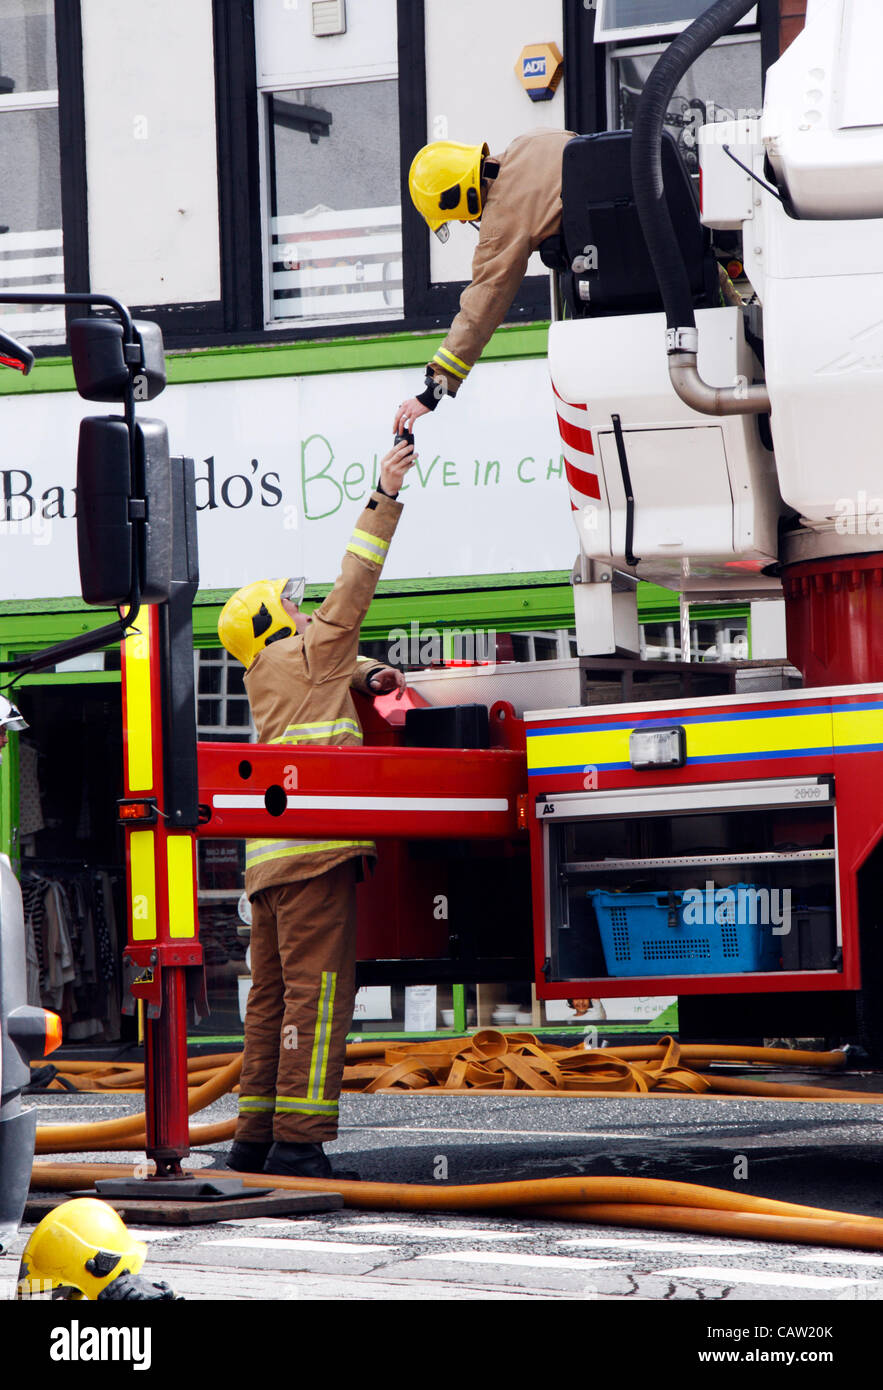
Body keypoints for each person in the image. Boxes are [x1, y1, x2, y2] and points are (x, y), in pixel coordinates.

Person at [218, 438, 415, 1179]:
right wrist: (384, 492)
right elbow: (357, 576)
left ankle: (254, 1138)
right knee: (318, 997)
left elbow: (336, 661)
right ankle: (301, 1145)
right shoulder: (306, 653)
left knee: (268, 1002)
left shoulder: (271, 674)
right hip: (315, 858)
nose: (305, 611)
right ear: (277, 624)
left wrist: (367, 671)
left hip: (269, 870)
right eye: (292, 607)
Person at [394, 129, 575, 436]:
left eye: (454, 214)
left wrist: (433, 391)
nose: (464, 221)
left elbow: (481, 309)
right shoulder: (528, 143)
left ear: (460, 193)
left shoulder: (500, 224)